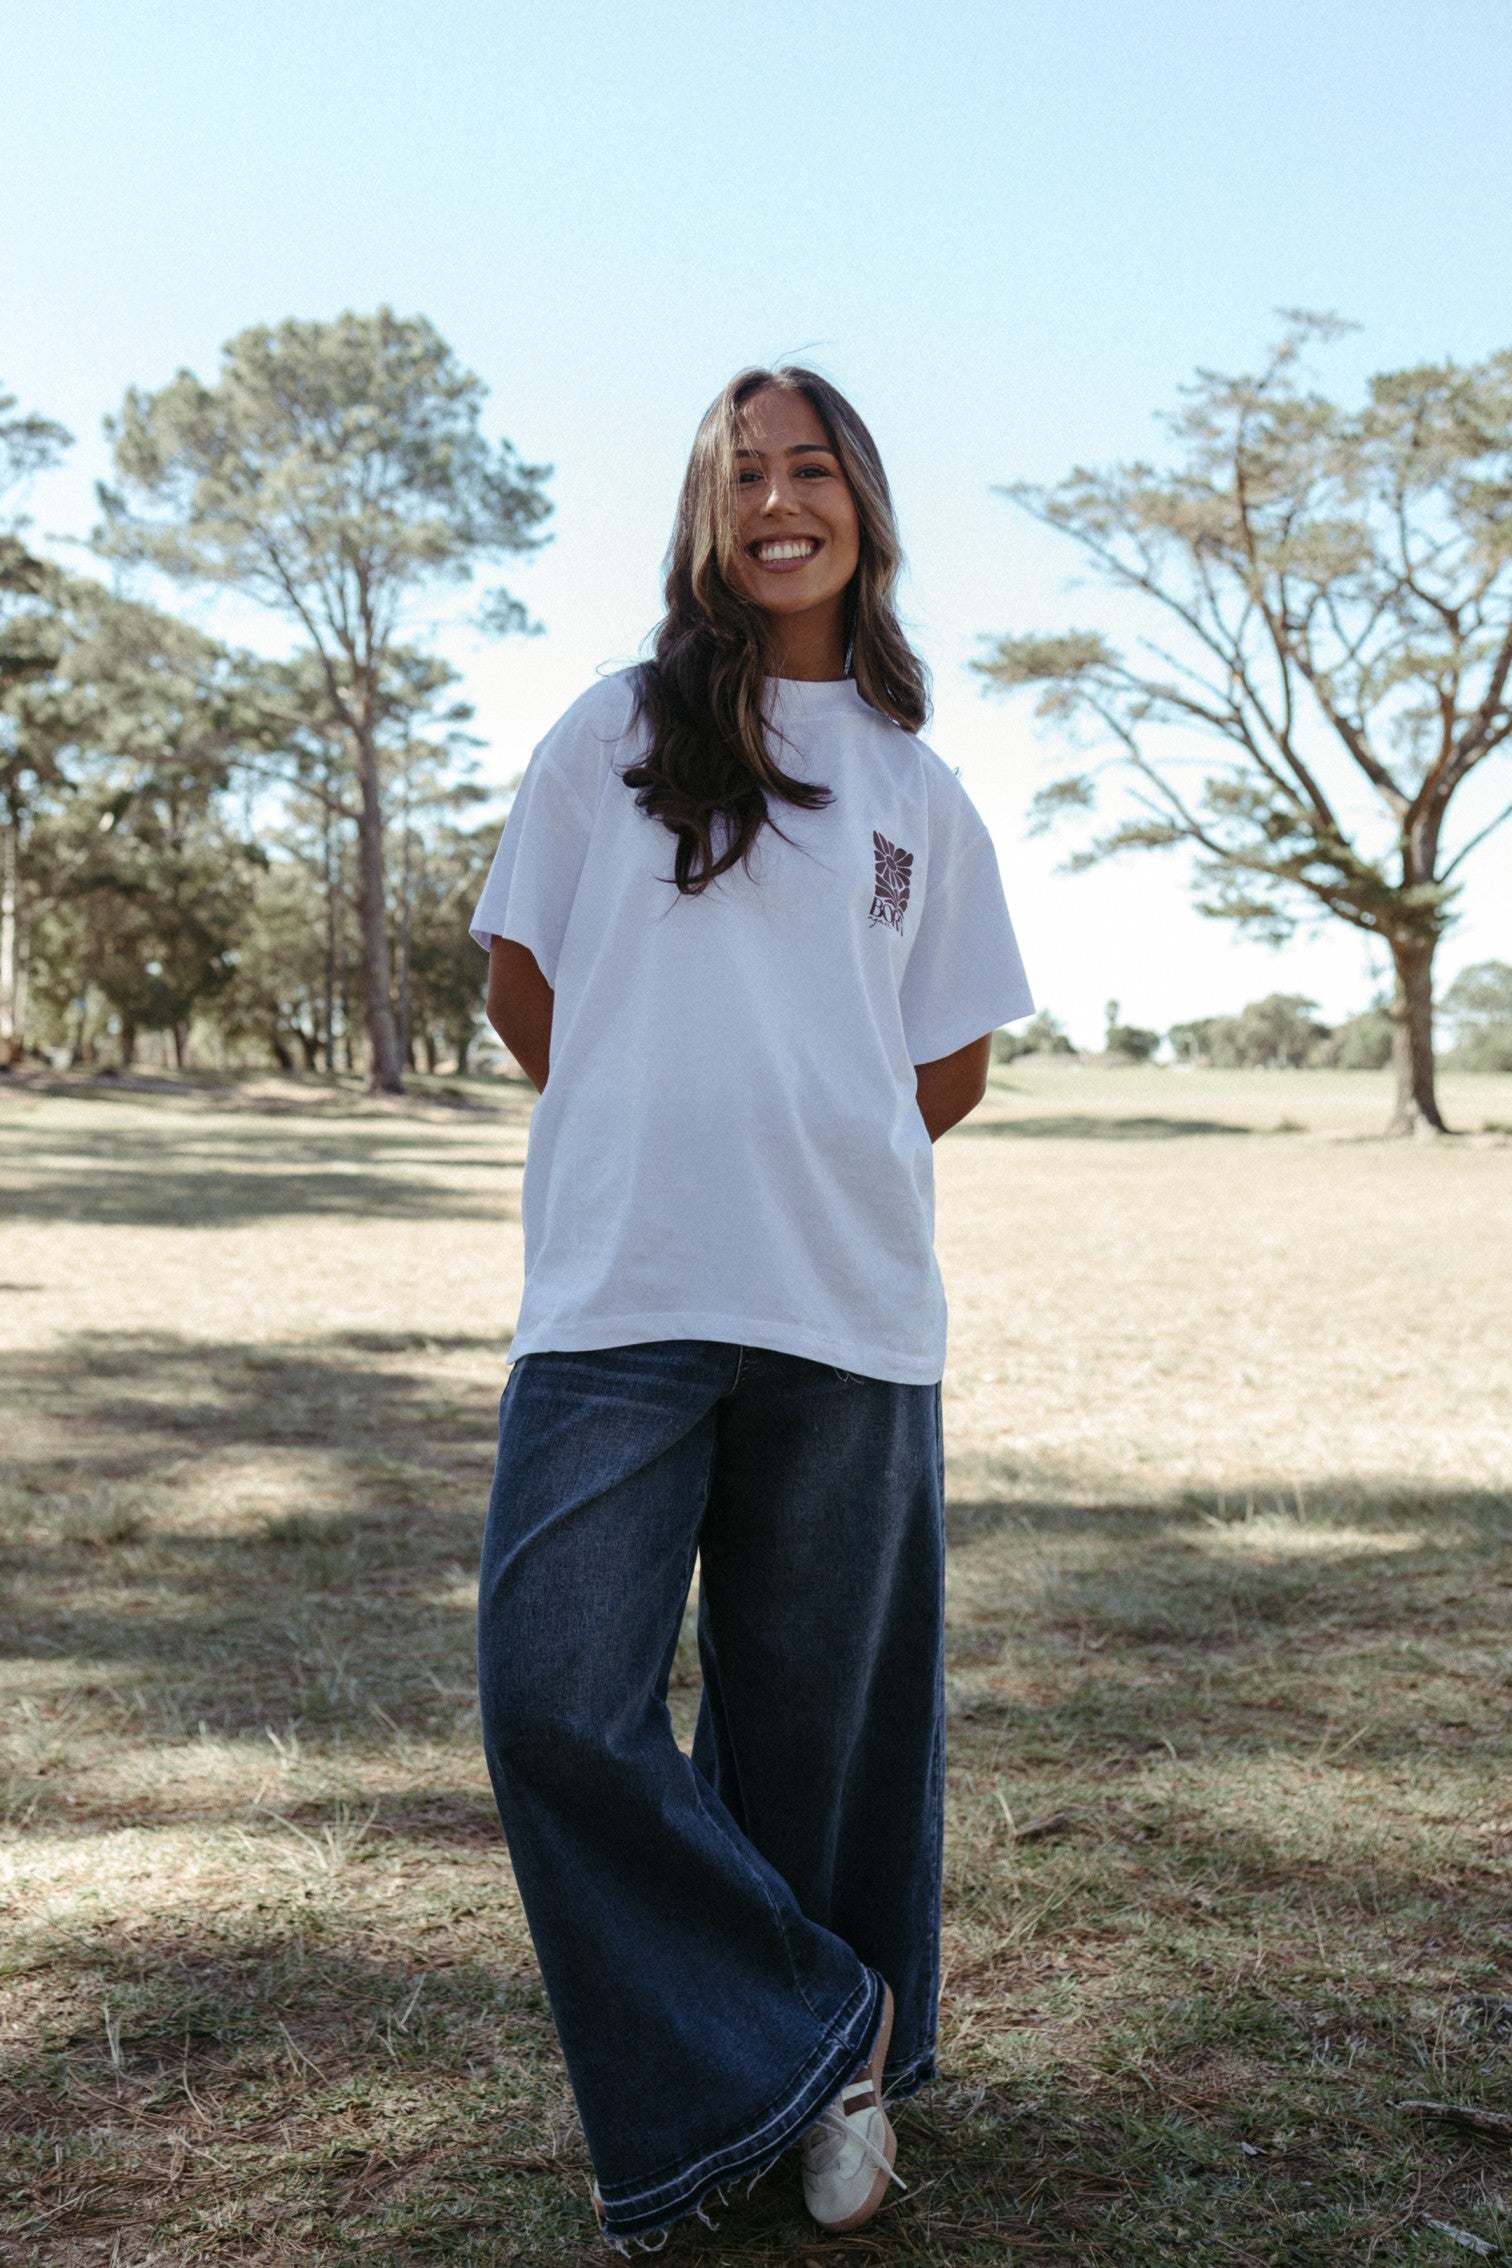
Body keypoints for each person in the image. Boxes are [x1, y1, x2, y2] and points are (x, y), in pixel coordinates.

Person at [470, 365, 1032, 2250]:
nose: (778, 502)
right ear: (705, 519)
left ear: (863, 505)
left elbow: (938, 1063)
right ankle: (818, 2016)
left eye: (812, 471)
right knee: (554, 1696)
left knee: (820, 1738)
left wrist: (809, 1140)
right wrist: (671, 1118)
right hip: (620, 1293)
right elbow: (528, 995)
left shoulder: (918, 788)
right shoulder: (608, 731)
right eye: (743, 476)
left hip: (849, 1311)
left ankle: (820, 2106)